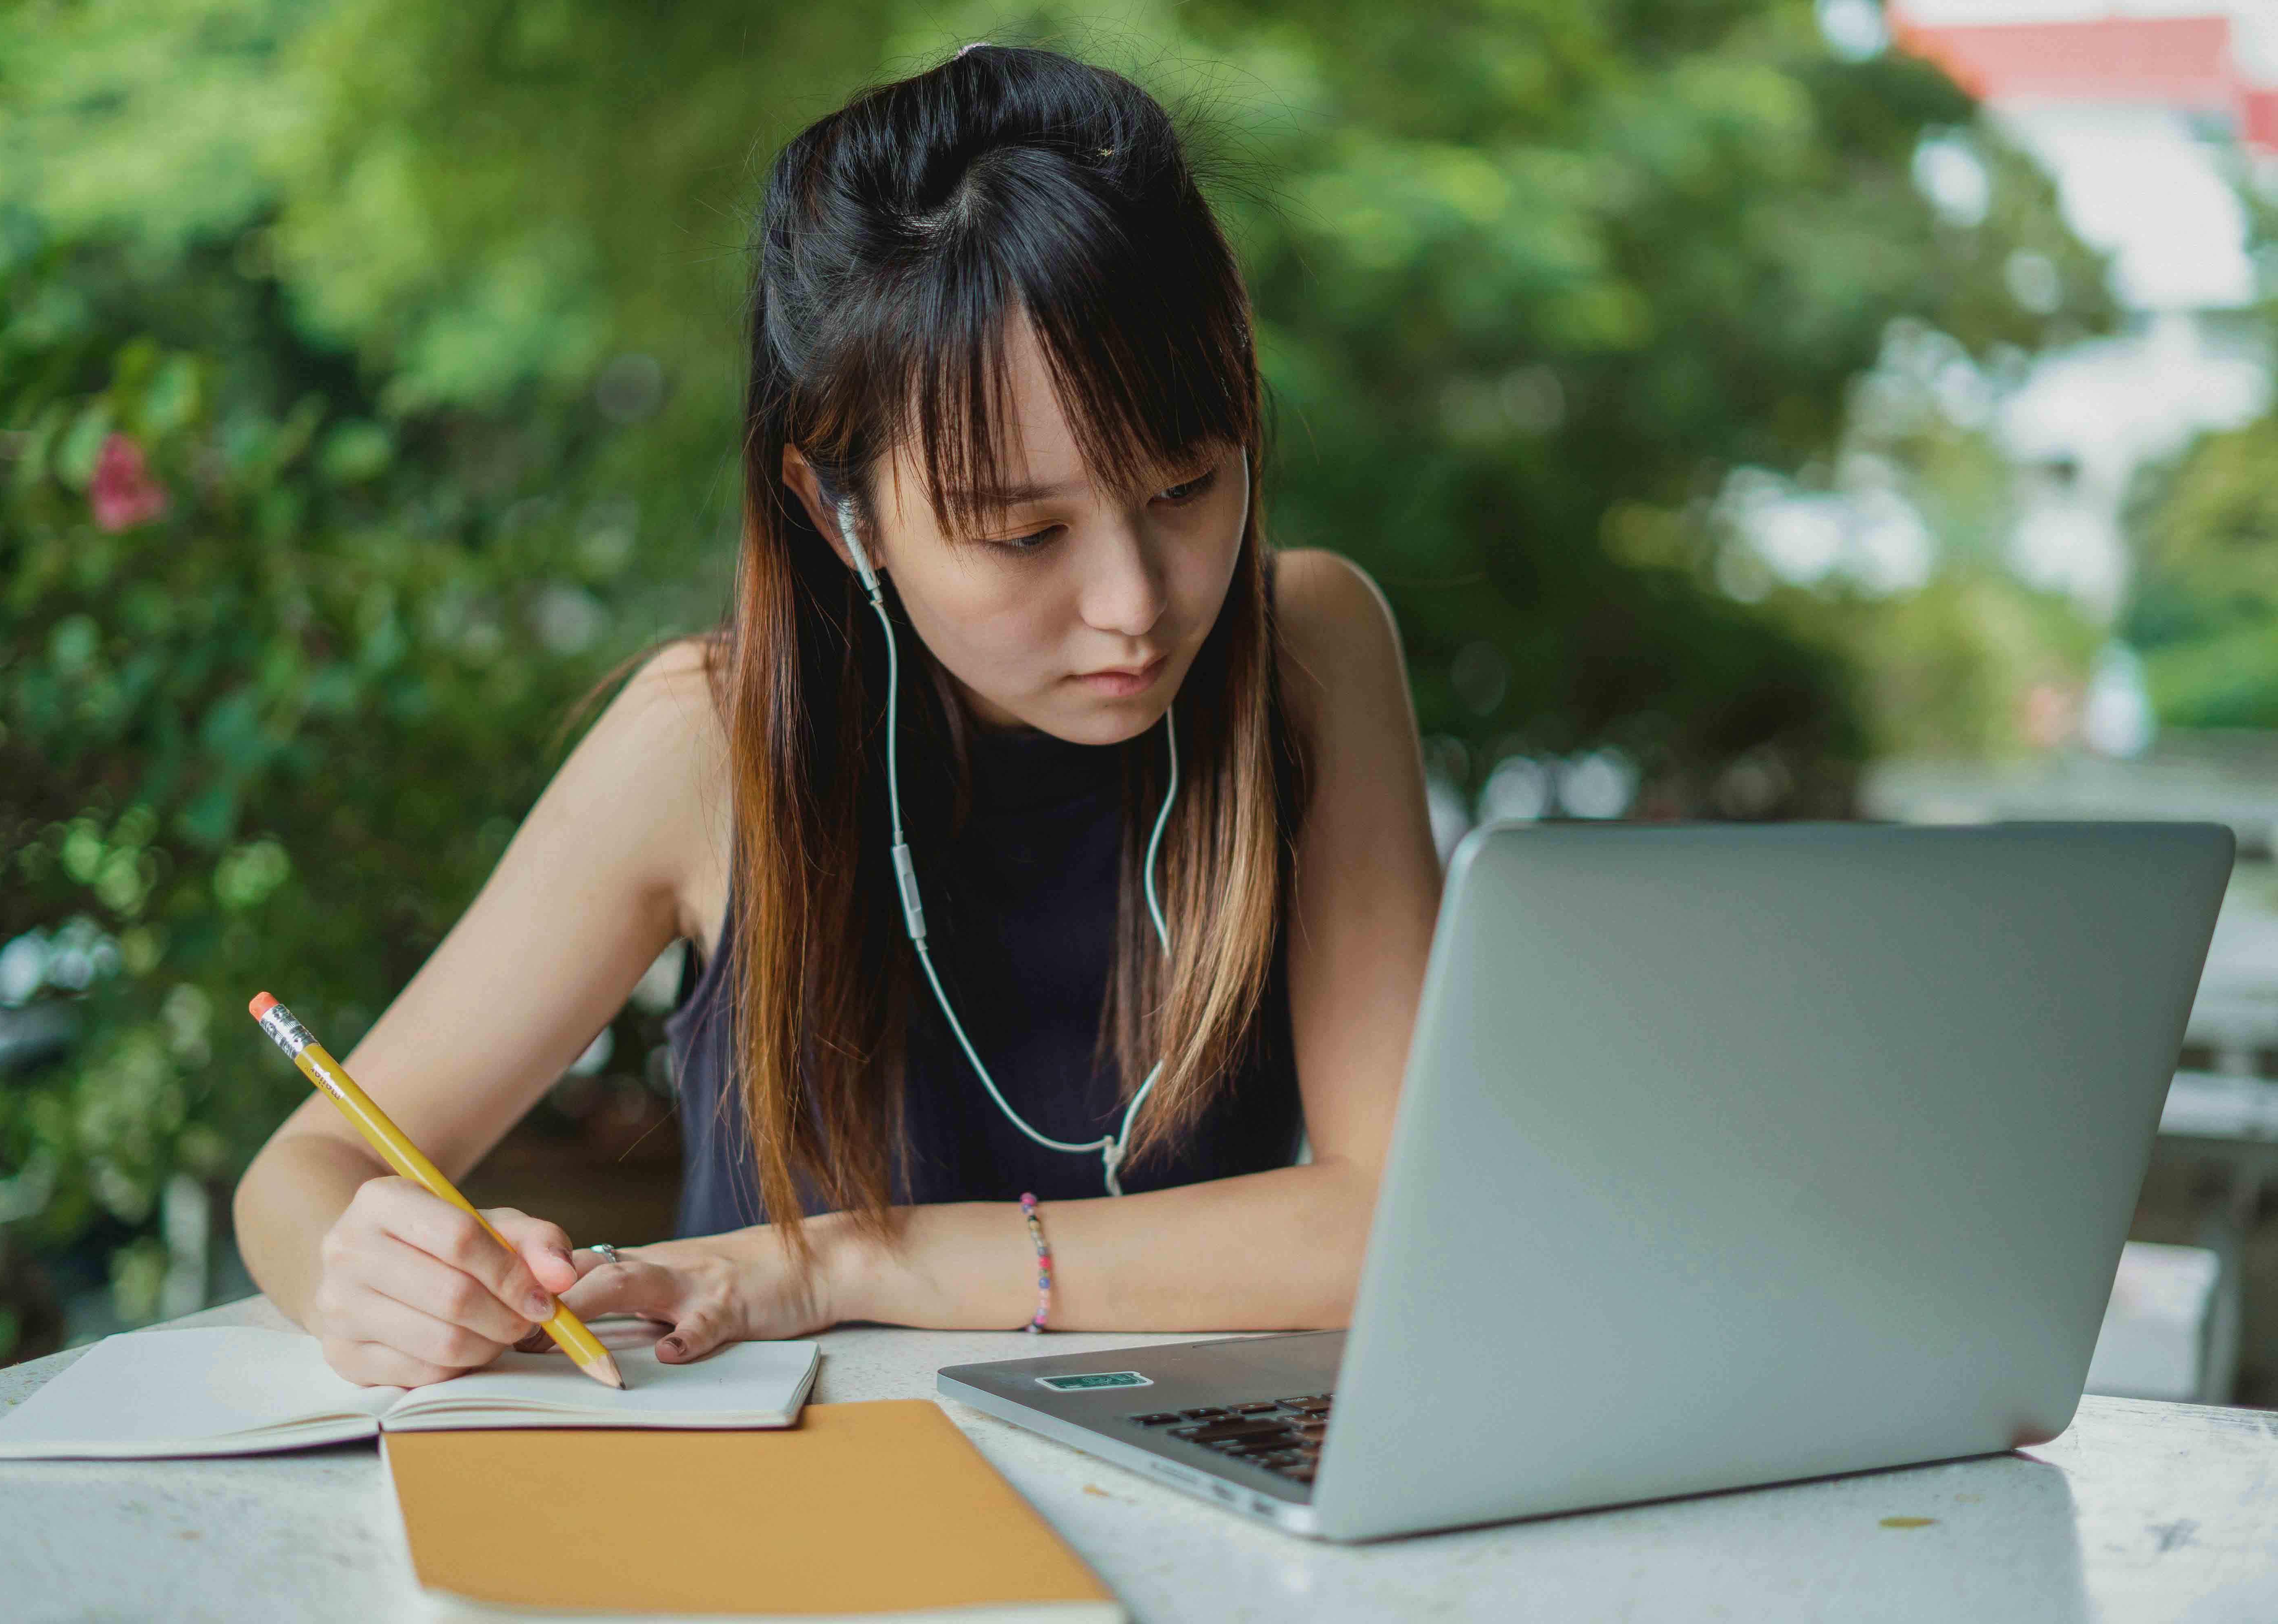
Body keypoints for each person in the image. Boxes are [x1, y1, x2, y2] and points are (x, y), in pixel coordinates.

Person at [232, 43, 1442, 1389]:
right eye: (1025, 532)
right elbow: (304, 1171)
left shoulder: (1310, 653)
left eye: (1186, 488)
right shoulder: (710, 740)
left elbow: (1393, 1221)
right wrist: (378, 1276)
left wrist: (841, 1261)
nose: (1133, 605)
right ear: (839, 510)